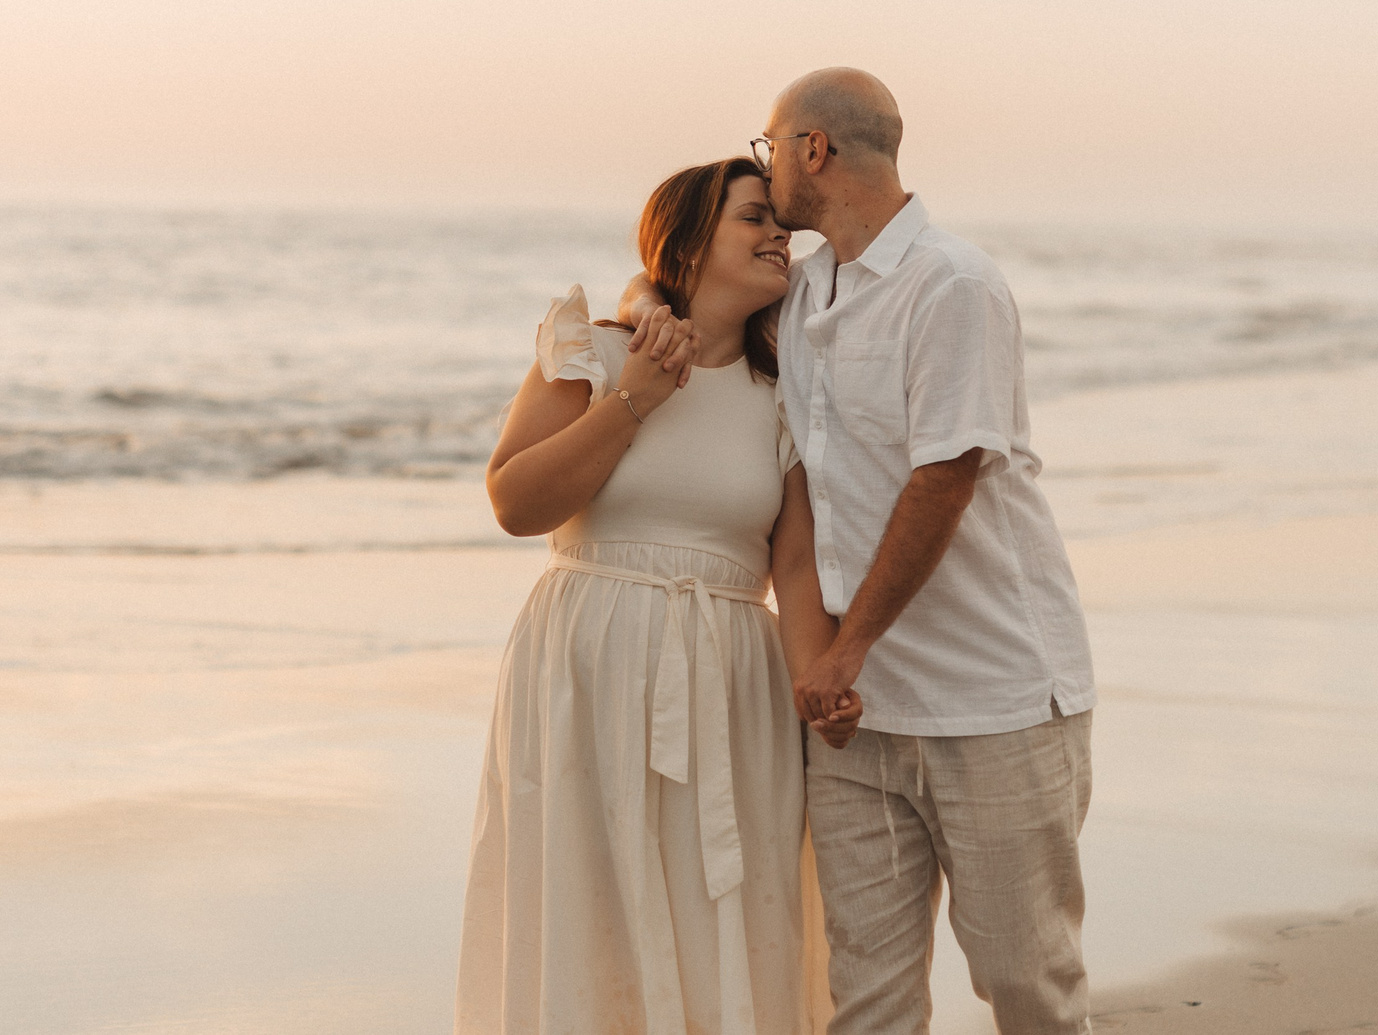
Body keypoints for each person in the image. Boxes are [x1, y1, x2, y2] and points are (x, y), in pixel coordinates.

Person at [623, 70, 1098, 1035]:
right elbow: (688, 289)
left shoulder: (952, 284)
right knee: (866, 1003)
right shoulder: (802, 296)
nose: (767, 171)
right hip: (859, 724)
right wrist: (642, 300)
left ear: (812, 149)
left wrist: (845, 648)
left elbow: (945, 479)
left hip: (993, 700)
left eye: (768, 147)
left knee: (1026, 985)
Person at [456, 157, 859, 1035]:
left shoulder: (782, 395)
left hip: (728, 681)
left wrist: (820, 682)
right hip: (586, 664)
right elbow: (515, 502)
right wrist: (634, 397)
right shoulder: (593, 351)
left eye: (778, 223)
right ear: (685, 240)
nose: (777, 237)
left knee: (729, 902)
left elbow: (792, 568)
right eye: (753, 218)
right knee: (587, 906)